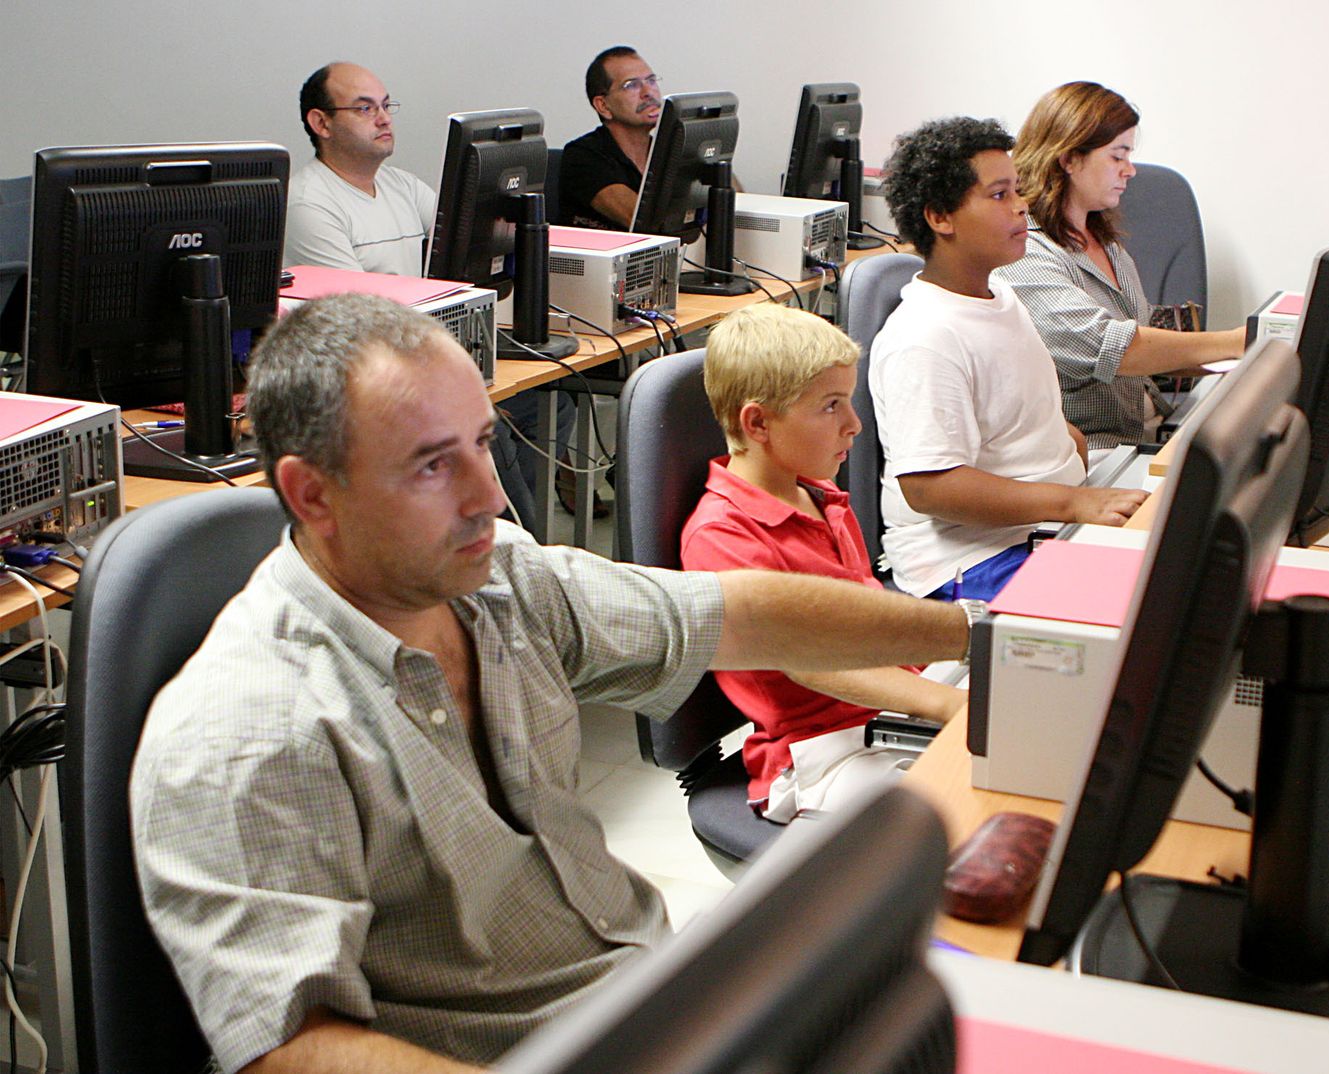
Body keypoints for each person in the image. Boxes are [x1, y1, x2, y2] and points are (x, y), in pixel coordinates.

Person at [129, 293, 970, 1074]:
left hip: (647, 999)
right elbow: (290, 1049)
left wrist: (981, 633)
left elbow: (739, 613)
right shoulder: (246, 730)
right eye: (430, 466)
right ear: (312, 495)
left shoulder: (499, 582)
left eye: (485, 444)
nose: (489, 496)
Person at [681, 304, 967, 821]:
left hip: (891, 707)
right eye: (831, 406)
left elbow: (865, 614)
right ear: (758, 422)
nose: (854, 425)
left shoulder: (821, 496)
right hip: (821, 753)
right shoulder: (721, 534)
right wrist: (945, 707)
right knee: (966, 810)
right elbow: (813, 660)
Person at [871, 117, 1148, 601]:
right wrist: (1074, 501)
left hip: (1036, 529)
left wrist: (1068, 451)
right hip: (973, 562)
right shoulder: (925, 336)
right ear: (941, 217)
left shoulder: (1000, 293)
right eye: (1000, 195)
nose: (1022, 206)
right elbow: (931, 489)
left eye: (1017, 190)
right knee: (1146, 610)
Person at [997, 82, 1246, 456]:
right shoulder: (1023, 252)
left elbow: (1147, 343)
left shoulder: (1103, 240)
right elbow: (1111, 348)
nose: (1130, 171)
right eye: (1117, 156)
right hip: (1092, 452)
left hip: (1145, 432)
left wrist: (1249, 362)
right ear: (1068, 158)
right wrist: (1241, 342)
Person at [285, 63, 436, 275]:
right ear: (321, 123)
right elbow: (356, 305)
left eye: (385, 106)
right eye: (365, 109)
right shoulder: (307, 205)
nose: (385, 119)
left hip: (413, 309)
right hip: (378, 309)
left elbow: (463, 244)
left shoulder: (406, 186)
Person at [558, 46, 660, 230]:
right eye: (632, 85)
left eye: (651, 81)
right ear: (603, 106)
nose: (648, 92)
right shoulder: (582, 157)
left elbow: (729, 205)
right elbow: (643, 221)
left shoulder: (666, 151)